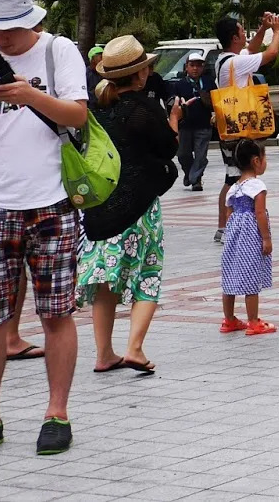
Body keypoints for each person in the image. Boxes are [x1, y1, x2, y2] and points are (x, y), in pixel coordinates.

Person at [0, 0, 90, 455]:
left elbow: (78, 116)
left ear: (30, 22)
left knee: (57, 313)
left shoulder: (58, 51)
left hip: (51, 203)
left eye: (7, 30)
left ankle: (57, 413)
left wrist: (28, 95)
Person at [75, 36, 179, 376]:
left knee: (105, 281)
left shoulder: (96, 106)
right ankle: (134, 348)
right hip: (140, 207)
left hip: (102, 205)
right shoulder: (143, 108)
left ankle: (104, 354)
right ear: (140, 74)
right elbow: (167, 148)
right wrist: (173, 119)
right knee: (146, 276)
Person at [212, 14, 279, 244]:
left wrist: (263, 28)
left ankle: (224, 226)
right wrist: (277, 31)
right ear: (234, 37)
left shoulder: (226, 59)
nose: (246, 34)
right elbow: (270, 54)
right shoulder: (236, 63)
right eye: (243, 31)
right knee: (235, 179)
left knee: (231, 177)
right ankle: (227, 226)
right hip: (239, 130)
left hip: (231, 127)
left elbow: (250, 50)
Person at [219, 138, 276, 334]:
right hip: (251, 235)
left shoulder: (233, 188)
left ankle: (229, 319)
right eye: (264, 157)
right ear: (256, 161)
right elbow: (260, 213)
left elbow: (228, 214)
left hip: (234, 236)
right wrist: (266, 238)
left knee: (230, 276)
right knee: (251, 276)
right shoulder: (257, 186)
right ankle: (253, 321)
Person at [169, 51, 212, 192]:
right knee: (182, 154)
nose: (195, 68)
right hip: (185, 126)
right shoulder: (180, 84)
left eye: (199, 66)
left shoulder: (209, 82)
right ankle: (190, 174)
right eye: (192, 65)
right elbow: (172, 102)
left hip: (203, 125)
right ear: (186, 67)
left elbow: (217, 100)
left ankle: (196, 180)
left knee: (201, 155)